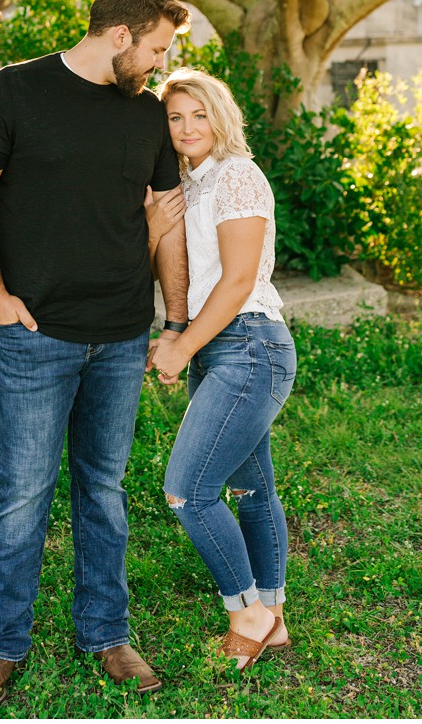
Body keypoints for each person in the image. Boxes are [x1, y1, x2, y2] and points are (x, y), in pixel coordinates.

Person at [0, 0, 192, 705]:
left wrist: (174, 319)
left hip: (120, 335)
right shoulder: (13, 91)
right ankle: (0, 646)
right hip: (35, 335)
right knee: (22, 494)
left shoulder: (146, 115)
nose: (159, 64)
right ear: (120, 36)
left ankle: (107, 633)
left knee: (104, 491)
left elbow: (168, 220)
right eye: (155, 48)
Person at [148, 68, 296, 669]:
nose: (187, 127)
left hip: (250, 345)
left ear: (221, 117)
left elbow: (236, 282)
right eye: (175, 117)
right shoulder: (190, 183)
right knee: (252, 487)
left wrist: (181, 349)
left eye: (198, 114)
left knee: (188, 490)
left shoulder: (236, 175)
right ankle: (274, 616)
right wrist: (178, 333)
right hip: (223, 348)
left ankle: (248, 613)